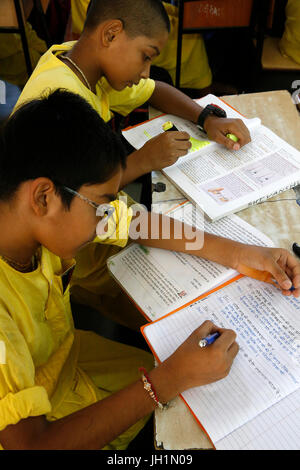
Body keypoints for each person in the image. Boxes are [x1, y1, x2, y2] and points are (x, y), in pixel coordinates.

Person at [0, 89, 299, 450]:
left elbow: (137, 223)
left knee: (166, 375)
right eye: (99, 205)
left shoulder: (32, 224)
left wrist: (239, 253)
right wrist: (167, 380)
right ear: (44, 197)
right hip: (45, 422)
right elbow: (30, 445)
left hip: (64, 364)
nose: (105, 219)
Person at [13, 0, 252, 328]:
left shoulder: (77, 62)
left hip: (89, 234)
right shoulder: (61, 99)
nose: (144, 71)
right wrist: (141, 161)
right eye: (146, 56)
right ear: (111, 34)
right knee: (177, 318)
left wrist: (205, 116)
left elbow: (152, 90)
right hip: (82, 259)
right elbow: (120, 218)